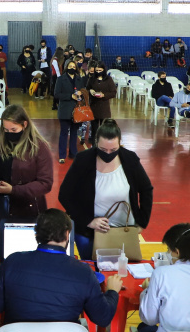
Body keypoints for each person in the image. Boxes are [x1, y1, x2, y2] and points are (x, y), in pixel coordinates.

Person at [58, 119, 153, 259]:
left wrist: (142, 223)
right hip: (88, 233)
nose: (108, 153)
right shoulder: (83, 160)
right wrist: (88, 221)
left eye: (113, 150)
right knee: (91, 270)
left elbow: (146, 190)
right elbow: (64, 195)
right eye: (103, 149)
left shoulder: (130, 159)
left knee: (121, 271)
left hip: (124, 231)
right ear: (96, 142)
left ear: (120, 144)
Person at [0, 105, 53, 256]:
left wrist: (13, 190)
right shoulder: (0, 144)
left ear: (24, 125)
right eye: (6, 130)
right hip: (1, 206)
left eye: (13, 130)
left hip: (28, 209)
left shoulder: (39, 147)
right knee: (3, 252)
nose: (9, 134)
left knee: (27, 254)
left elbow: (45, 183)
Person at [54, 60, 85, 164]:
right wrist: (70, 96)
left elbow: (84, 91)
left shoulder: (79, 79)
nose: (72, 68)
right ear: (67, 67)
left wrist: (82, 93)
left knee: (74, 133)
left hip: (76, 110)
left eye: (74, 66)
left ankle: (73, 153)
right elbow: (56, 94)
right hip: (65, 110)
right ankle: (62, 155)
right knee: (63, 133)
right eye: (70, 66)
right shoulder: (60, 79)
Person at [86, 61, 116, 142]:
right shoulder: (91, 79)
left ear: (103, 70)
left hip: (104, 108)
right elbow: (87, 89)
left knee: (104, 130)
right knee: (94, 129)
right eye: (97, 70)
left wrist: (104, 95)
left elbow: (113, 93)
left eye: (100, 70)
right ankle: (94, 144)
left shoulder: (108, 80)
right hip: (94, 107)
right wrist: (90, 91)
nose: (98, 72)